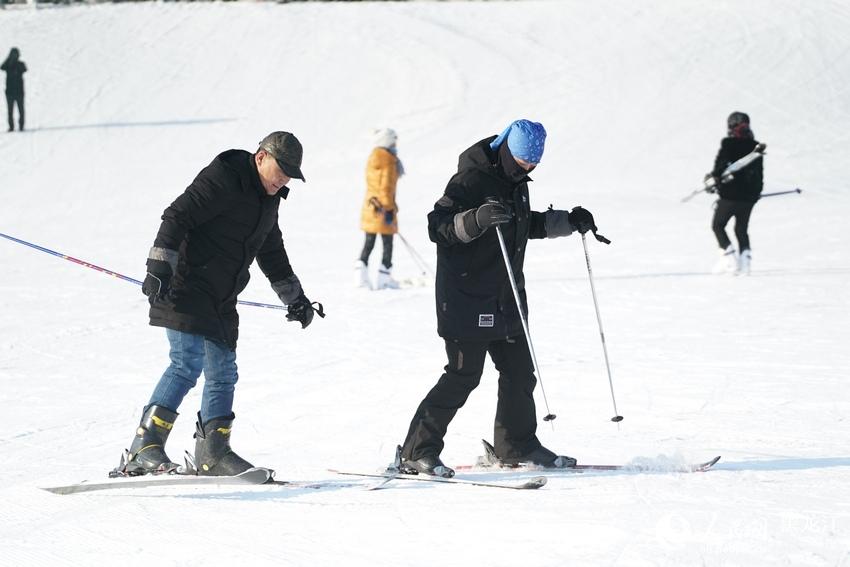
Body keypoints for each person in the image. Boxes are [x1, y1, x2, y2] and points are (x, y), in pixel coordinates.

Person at [115, 131, 322, 477]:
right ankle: (144, 447)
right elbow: (178, 215)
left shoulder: (268, 198)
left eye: (291, 174)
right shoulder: (226, 176)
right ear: (261, 157)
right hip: (186, 286)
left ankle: (213, 453)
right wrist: (160, 264)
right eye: (281, 169)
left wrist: (296, 299)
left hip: (222, 298)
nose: (284, 178)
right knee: (186, 363)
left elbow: (272, 252)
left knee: (224, 374)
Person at [398, 119, 597, 477]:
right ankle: (416, 451)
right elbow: (437, 226)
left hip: (505, 299)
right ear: (505, 150)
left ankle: (516, 445)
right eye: (521, 163)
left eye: (532, 165)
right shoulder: (469, 180)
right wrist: (475, 219)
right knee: (462, 375)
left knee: (520, 373)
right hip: (465, 299)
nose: (526, 170)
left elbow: (523, 225)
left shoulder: (515, 182)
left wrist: (568, 221)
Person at [708, 111, 763, 275]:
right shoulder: (756, 147)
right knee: (741, 229)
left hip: (730, 196)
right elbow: (760, 175)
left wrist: (712, 181)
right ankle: (745, 263)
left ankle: (728, 257)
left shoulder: (728, 144)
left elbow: (719, 170)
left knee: (718, 225)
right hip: (749, 198)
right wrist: (755, 194)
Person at [355, 128, 404, 290]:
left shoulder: (373, 157)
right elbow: (386, 188)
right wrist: (389, 210)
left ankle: (360, 276)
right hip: (383, 208)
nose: (395, 143)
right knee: (387, 243)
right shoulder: (388, 159)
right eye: (393, 140)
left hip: (370, 207)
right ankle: (384, 278)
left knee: (369, 242)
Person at [1, 47, 26, 132]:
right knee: (10, 111)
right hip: (10, 92)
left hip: (19, 92)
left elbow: (24, 69)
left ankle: (21, 126)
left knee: (21, 110)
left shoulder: (20, 64)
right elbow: (2, 67)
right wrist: (8, 59)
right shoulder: (8, 64)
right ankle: (11, 127)